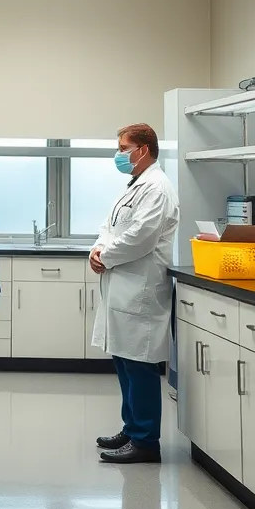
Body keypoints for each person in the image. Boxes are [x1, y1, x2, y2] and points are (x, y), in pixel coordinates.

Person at [89, 123, 179, 465]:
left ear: (142, 149)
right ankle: (131, 428)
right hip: (122, 285)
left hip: (140, 287)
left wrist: (106, 256)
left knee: (139, 365)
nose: (119, 154)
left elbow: (141, 236)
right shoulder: (135, 185)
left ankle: (145, 441)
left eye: (123, 148)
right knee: (124, 362)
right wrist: (97, 249)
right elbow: (110, 227)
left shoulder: (157, 188)